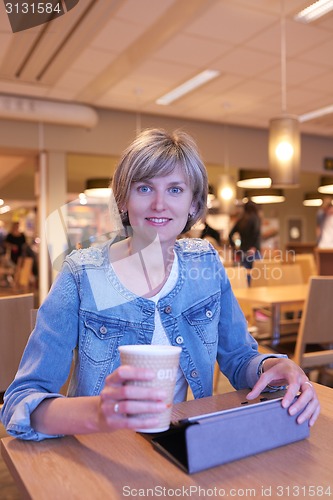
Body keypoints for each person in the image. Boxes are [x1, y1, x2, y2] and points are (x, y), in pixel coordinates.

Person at [1, 129, 319, 441]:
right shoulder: (84, 276)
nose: (159, 204)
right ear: (123, 200)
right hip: (103, 455)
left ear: (194, 204)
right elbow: (22, 400)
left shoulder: (204, 263)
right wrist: (98, 414)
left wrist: (273, 366)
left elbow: (237, 356)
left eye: (175, 190)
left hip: (185, 446)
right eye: (144, 188)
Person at [228, 200, 261, 273]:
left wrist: (235, 248)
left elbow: (230, 235)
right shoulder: (255, 218)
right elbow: (256, 234)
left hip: (243, 251)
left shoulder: (241, 220)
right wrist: (254, 247)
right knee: (258, 276)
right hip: (254, 252)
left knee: (246, 276)